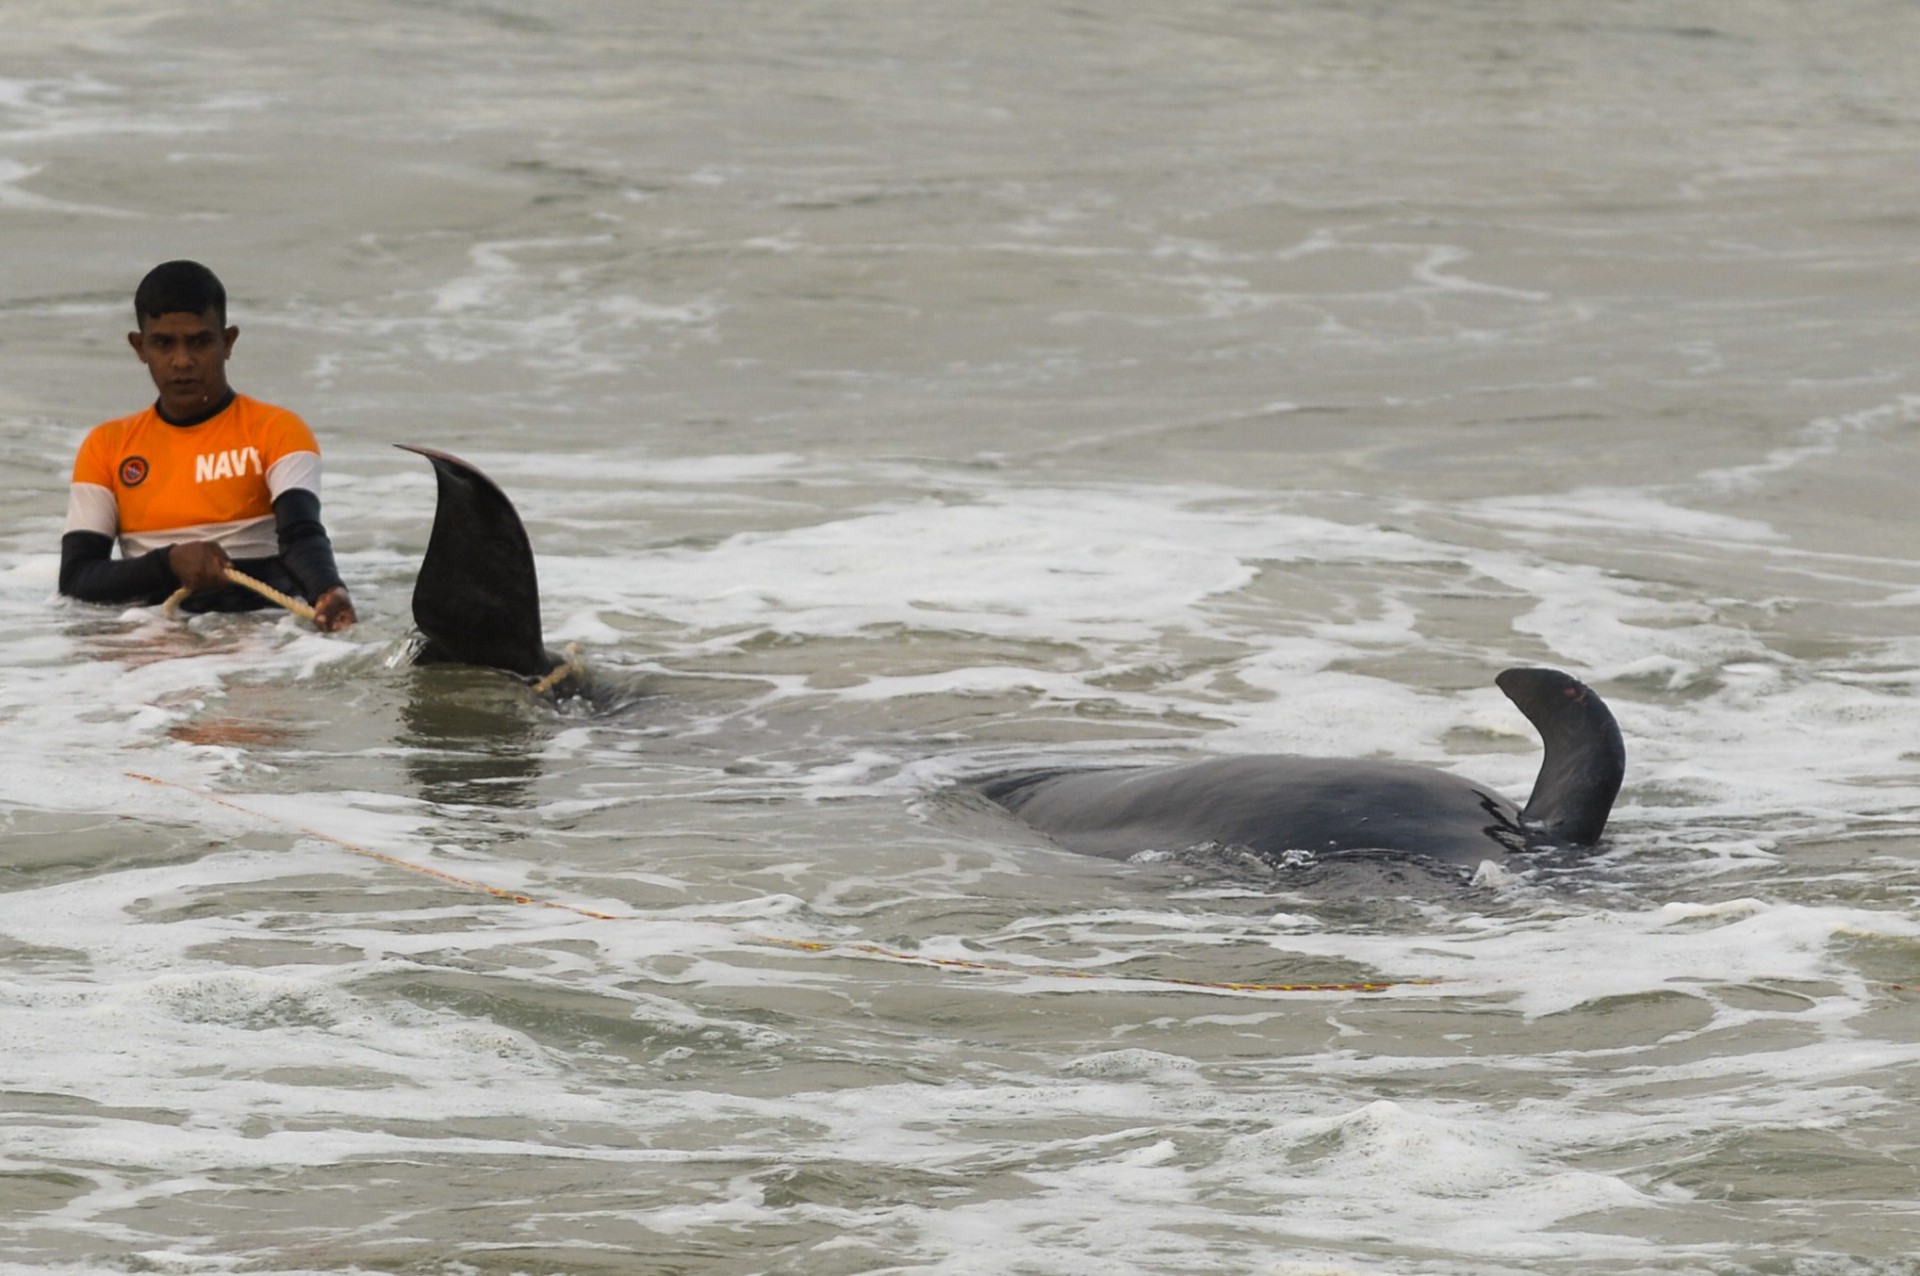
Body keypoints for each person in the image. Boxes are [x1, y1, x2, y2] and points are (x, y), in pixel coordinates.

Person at [58, 261, 356, 632]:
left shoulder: (277, 431)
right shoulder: (106, 446)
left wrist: (328, 591)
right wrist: (169, 563)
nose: (182, 361)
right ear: (139, 347)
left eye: (200, 342)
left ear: (227, 342)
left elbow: (301, 536)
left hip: (265, 637)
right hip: (149, 640)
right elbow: (77, 578)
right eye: (163, 343)